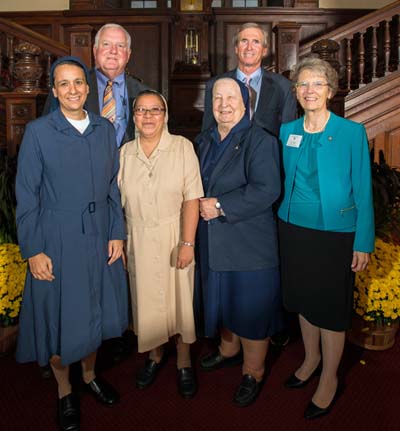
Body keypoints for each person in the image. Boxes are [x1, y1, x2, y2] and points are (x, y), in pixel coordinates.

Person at [15, 56, 129, 431]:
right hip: (57, 237)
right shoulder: (38, 132)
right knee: (60, 316)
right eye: (64, 84)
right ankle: (65, 390)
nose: (73, 90)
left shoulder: (102, 127)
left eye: (79, 82)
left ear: (88, 86)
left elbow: (113, 187)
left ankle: (91, 373)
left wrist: (117, 231)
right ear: (54, 90)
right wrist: (33, 249)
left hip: (99, 234)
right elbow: (27, 196)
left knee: (93, 309)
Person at [278, 57, 375, 419]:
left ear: (330, 91)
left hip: (336, 232)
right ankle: (311, 359)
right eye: (303, 84)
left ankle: (330, 377)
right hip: (293, 227)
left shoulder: (351, 133)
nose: (309, 90)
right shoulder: (288, 131)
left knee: (330, 308)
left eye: (317, 84)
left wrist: (363, 240)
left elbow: (363, 190)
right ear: (296, 92)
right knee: (304, 300)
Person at [195, 77, 283, 407]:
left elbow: (266, 189)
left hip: (249, 244)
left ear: (247, 104)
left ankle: (253, 371)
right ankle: (228, 350)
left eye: (232, 97)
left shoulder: (260, 141)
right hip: (213, 242)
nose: (224, 104)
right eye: (217, 98)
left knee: (251, 309)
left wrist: (219, 206)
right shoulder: (203, 140)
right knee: (223, 300)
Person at [118, 90, 203, 398]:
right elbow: (117, 204)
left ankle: (183, 362)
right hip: (137, 237)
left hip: (174, 235)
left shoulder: (182, 147)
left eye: (155, 110)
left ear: (166, 115)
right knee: (147, 305)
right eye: (142, 110)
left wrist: (187, 242)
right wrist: (120, 242)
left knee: (179, 304)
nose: (149, 116)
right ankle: (154, 356)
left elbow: (192, 199)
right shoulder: (124, 152)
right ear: (134, 116)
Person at [44, 23, 149, 147]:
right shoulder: (68, 90)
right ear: (95, 51)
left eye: (120, 46)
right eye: (106, 44)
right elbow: (48, 134)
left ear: (128, 55)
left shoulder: (145, 93)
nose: (113, 51)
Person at [201, 22, 297, 138]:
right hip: (227, 154)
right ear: (236, 49)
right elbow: (207, 132)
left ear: (264, 50)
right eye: (244, 41)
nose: (249, 47)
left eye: (256, 42)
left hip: (267, 154)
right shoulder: (214, 85)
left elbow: (288, 133)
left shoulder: (284, 86)